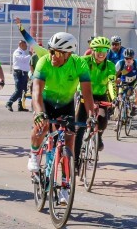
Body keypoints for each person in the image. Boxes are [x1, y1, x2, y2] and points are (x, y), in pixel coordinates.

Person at [28, 32, 95, 206]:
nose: (52, 56)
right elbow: (36, 92)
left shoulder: (79, 64)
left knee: (69, 145)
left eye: (57, 53)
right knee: (41, 126)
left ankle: (65, 186)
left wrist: (91, 116)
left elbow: (87, 94)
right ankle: (34, 155)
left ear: (68, 54)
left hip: (66, 105)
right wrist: (39, 113)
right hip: (45, 102)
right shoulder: (43, 62)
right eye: (51, 51)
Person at [73, 36, 115, 163]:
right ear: (92, 50)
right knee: (79, 128)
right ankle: (75, 160)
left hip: (100, 95)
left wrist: (114, 98)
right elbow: (74, 77)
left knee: (102, 120)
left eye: (104, 50)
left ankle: (99, 136)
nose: (101, 53)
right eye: (98, 50)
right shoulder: (84, 61)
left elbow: (111, 83)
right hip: (84, 95)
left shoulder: (110, 65)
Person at [114, 48, 137, 116]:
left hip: (134, 81)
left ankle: (135, 106)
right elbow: (113, 75)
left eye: (130, 58)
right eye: (127, 58)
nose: (129, 60)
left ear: (133, 58)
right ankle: (117, 107)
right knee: (120, 95)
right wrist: (116, 79)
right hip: (123, 81)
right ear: (124, 58)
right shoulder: (120, 63)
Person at [7, 38, 31, 112]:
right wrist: (30, 55)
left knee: (23, 90)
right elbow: (23, 59)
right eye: (25, 45)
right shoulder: (17, 52)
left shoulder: (23, 52)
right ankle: (9, 102)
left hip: (24, 73)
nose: (26, 46)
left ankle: (20, 106)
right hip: (19, 73)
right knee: (18, 90)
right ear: (21, 45)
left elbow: (26, 63)